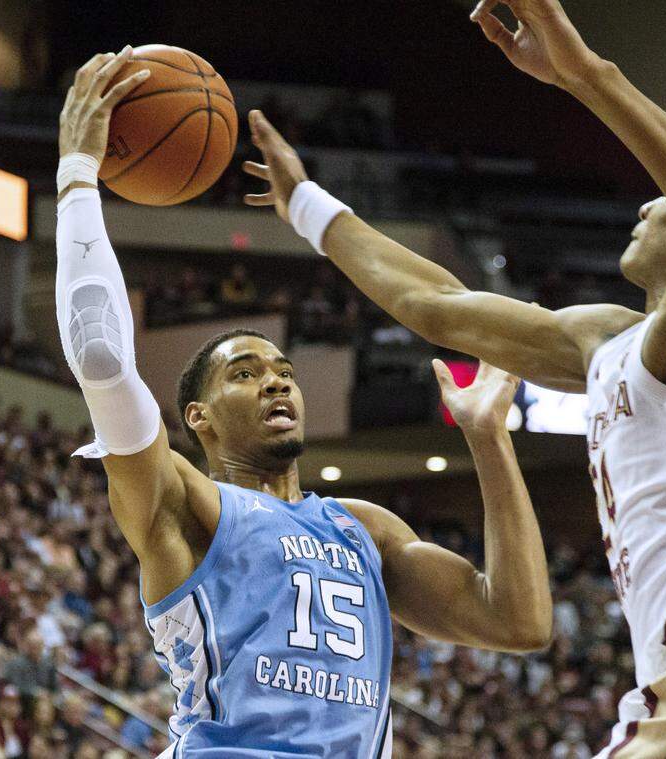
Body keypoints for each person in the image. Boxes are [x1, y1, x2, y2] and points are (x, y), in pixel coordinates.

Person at [242, 1, 666, 754]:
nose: (648, 202)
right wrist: (307, 207)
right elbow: (440, 304)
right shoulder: (613, 341)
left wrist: (587, 75)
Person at [55, 47, 552, 757]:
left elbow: (520, 620)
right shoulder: (183, 502)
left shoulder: (365, 529)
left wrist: (488, 437)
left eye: (283, 368)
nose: (277, 381)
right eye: (246, 372)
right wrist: (77, 174)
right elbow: (102, 357)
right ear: (196, 416)